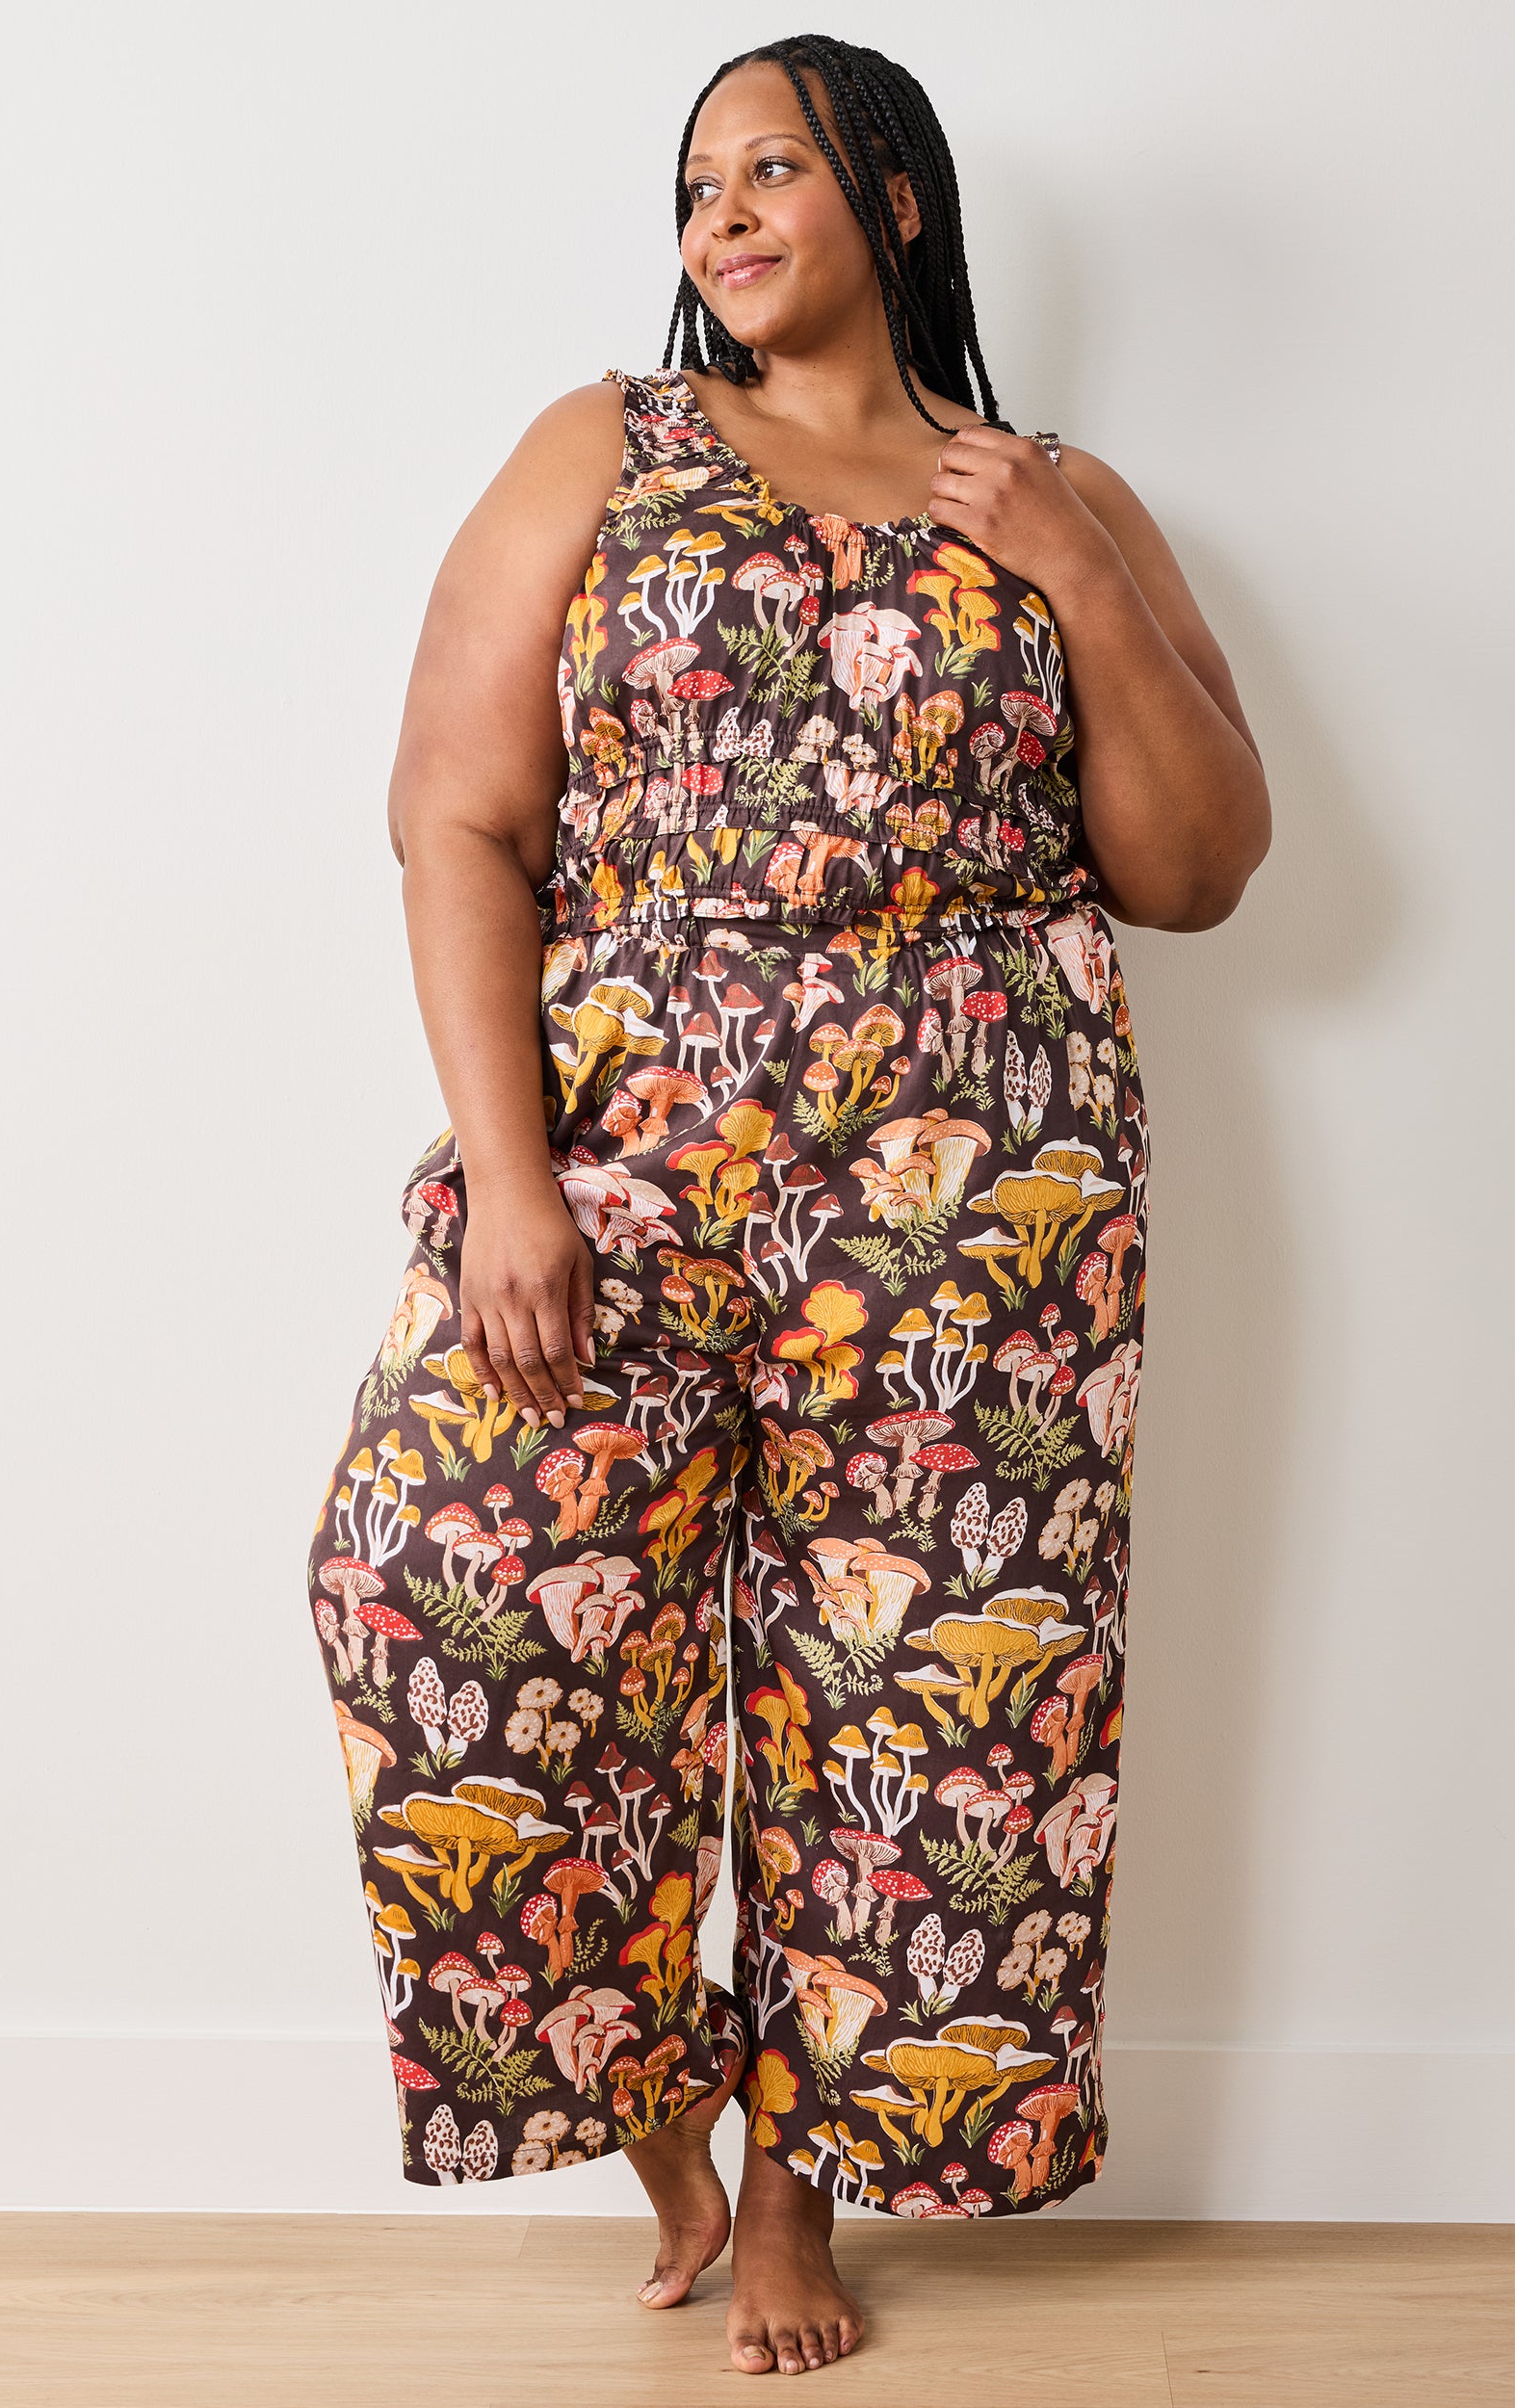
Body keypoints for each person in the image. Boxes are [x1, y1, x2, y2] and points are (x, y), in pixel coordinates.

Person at [304, 32, 1269, 2380]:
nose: (720, 214)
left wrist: (1066, 567)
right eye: (695, 182)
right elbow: (456, 816)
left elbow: (1196, 864)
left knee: (908, 1709)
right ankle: (657, 2104)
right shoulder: (606, 448)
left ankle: (796, 2199)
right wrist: (509, 1175)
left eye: (773, 168)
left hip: (989, 1200)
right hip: (622, 1160)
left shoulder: (1063, 497)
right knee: (440, 1598)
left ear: (895, 202)